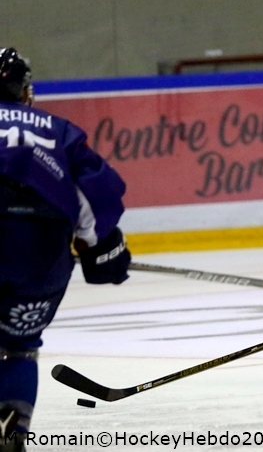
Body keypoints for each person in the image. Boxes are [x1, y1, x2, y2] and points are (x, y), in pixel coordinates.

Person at [0, 48, 131, 451]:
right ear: (25, 92)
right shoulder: (55, 130)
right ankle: (11, 430)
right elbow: (95, 194)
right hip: (37, 255)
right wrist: (103, 249)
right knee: (18, 350)